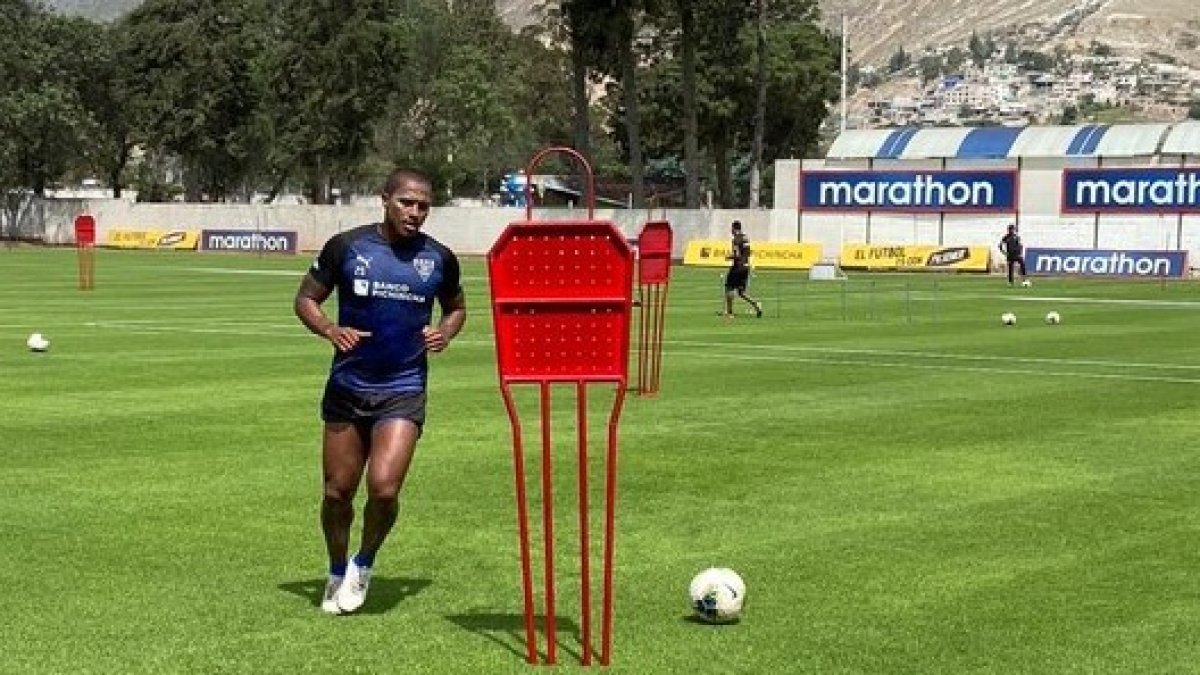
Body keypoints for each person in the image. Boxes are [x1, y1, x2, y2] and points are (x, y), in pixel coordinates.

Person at [293, 168, 467, 615]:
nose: (415, 212)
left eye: (424, 205)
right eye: (407, 202)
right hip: (348, 386)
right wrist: (330, 328)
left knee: (385, 488)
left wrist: (445, 331)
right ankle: (336, 570)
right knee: (337, 492)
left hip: (404, 387)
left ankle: (363, 564)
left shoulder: (440, 258)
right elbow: (305, 299)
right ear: (385, 199)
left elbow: (457, 307)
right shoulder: (348, 247)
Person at [723, 220, 763, 318]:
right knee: (741, 292)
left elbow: (736, 254)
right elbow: (748, 253)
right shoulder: (746, 238)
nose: (731, 231)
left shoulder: (736, 240)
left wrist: (729, 257)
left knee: (729, 288)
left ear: (734, 228)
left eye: (731, 229)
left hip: (737, 267)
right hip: (745, 267)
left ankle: (730, 313)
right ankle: (756, 304)